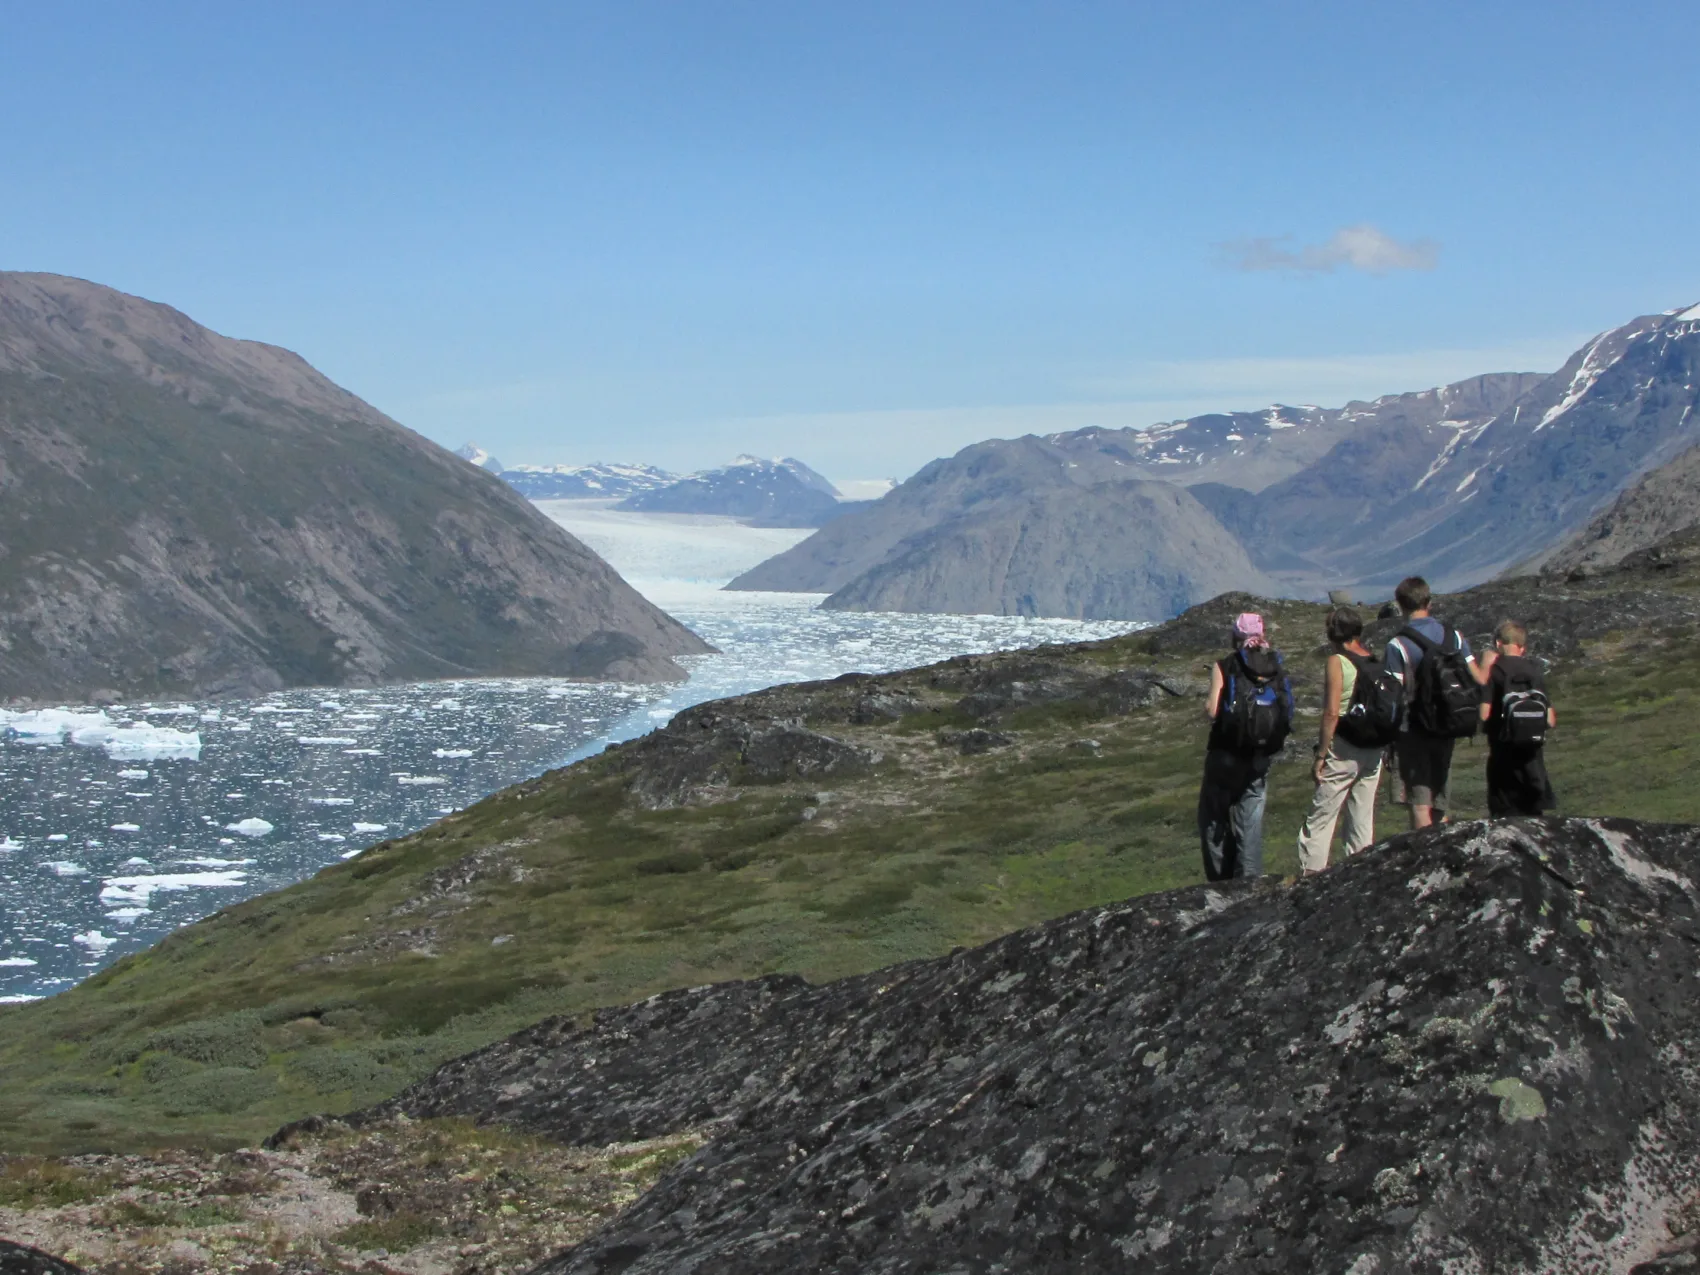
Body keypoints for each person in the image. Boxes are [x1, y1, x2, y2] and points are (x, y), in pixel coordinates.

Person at [1382, 577, 1485, 829]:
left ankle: (1423, 854)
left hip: (1413, 728)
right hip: (1448, 722)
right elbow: (1476, 678)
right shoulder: (1455, 637)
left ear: (1400, 605)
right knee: (1440, 796)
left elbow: (1393, 695)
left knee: (1419, 800)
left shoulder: (1397, 645)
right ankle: (1442, 848)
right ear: (1429, 600)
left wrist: (1388, 736)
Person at [1198, 611, 1292, 880]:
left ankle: (1220, 881)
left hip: (1225, 753)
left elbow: (1213, 710)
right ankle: (1249, 881)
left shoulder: (1225, 665)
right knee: (1250, 822)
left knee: (1214, 816)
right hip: (1260, 756)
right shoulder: (1275, 664)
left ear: (1236, 636)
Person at [1296, 607, 1388, 872]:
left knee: (1321, 817)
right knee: (1361, 818)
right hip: (1374, 748)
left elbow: (1332, 712)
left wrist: (1321, 754)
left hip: (1345, 747)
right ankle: (1360, 876)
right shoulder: (1373, 660)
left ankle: (1310, 877)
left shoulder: (1338, 661)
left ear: (1333, 633)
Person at [1478, 619, 1558, 816]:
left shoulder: (1495, 671)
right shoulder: (1534, 671)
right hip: (1533, 758)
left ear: (1498, 644)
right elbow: (1550, 719)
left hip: (1503, 754)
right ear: (1522, 647)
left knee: (1505, 817)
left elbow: (1484, 714)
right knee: (1534, 819)